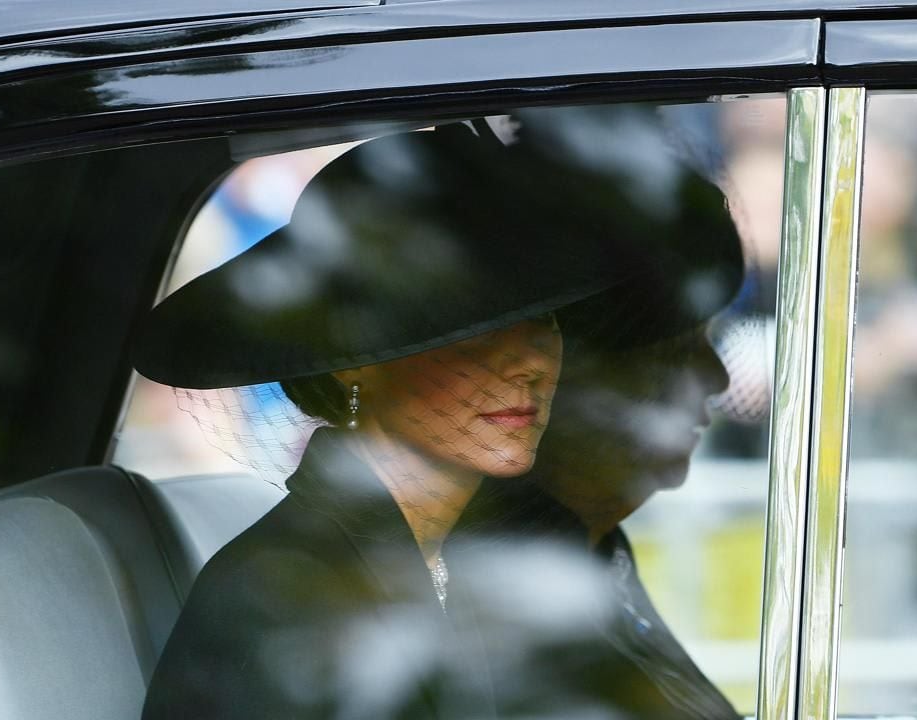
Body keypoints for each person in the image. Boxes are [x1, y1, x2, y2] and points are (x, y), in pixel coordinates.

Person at [134, 118, 694, 719]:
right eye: (474, 329)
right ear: (354, 363)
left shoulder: (510, 548)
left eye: (546, 321)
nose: (529, 363)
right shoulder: (281, 602)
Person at [447, 175, 746, 719]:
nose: (718, 377)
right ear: (570, 387)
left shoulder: (595, 551)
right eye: (677, 352)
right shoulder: (513, 582)